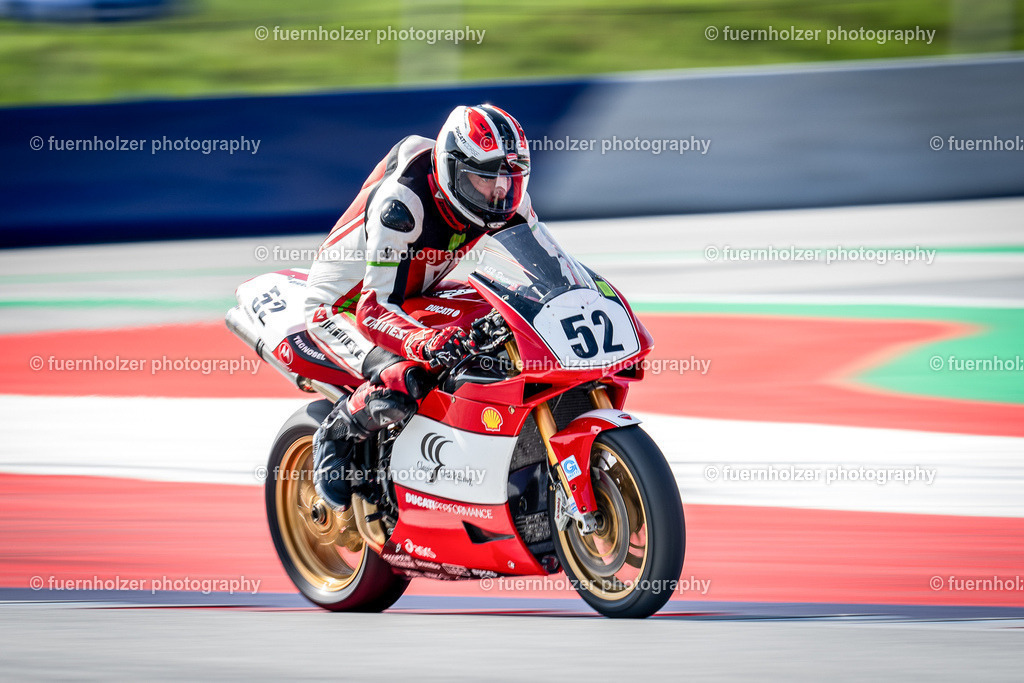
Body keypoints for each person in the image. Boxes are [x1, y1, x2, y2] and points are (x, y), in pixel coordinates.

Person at [305, 104, 537, 511]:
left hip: (415, 292)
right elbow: (373, 308)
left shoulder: (504, 198)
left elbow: (544, 266)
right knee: (406, 377)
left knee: (507, 321)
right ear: (453, 169)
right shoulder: (401, 203)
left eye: (508, 176)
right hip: (344, 307)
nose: (499, 191)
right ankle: (336, 433)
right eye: (485, 176)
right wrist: (425, 343)